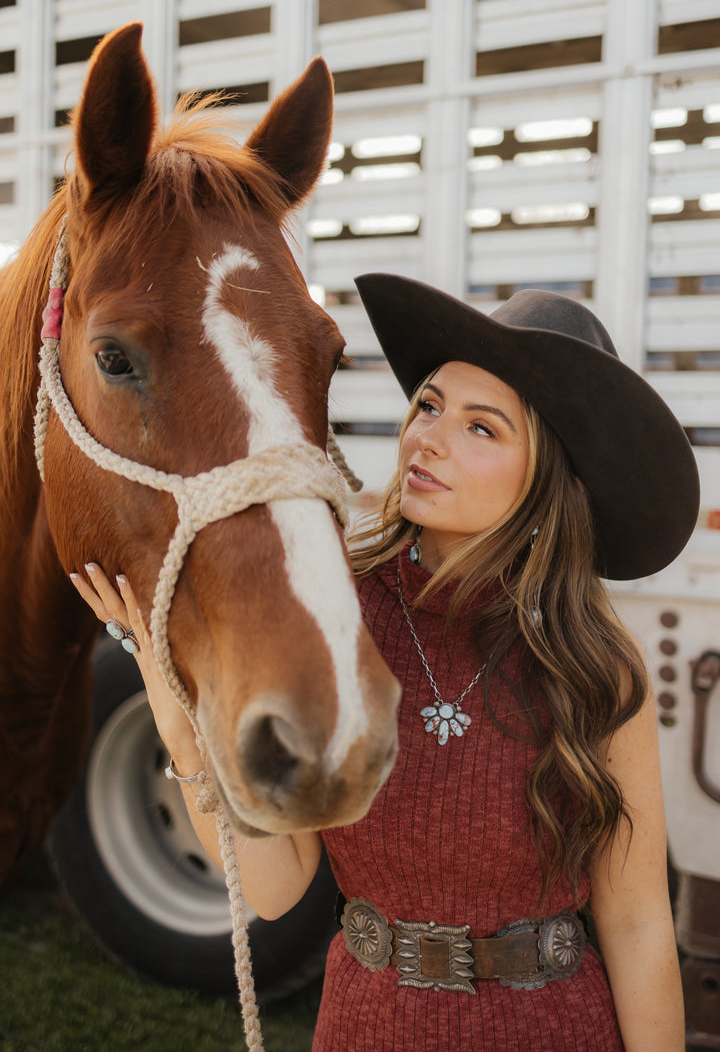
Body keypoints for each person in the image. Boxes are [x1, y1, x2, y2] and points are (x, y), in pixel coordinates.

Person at [71, 275, 699, 1052]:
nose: (428, 438)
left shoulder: (600, 666)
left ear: (549, 481)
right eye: (430, 406)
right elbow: (275, 889)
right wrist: (174, 705)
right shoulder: (340, 611)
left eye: (483, 428)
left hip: (554, 1028)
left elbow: (637, 924)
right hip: (365, 1026)